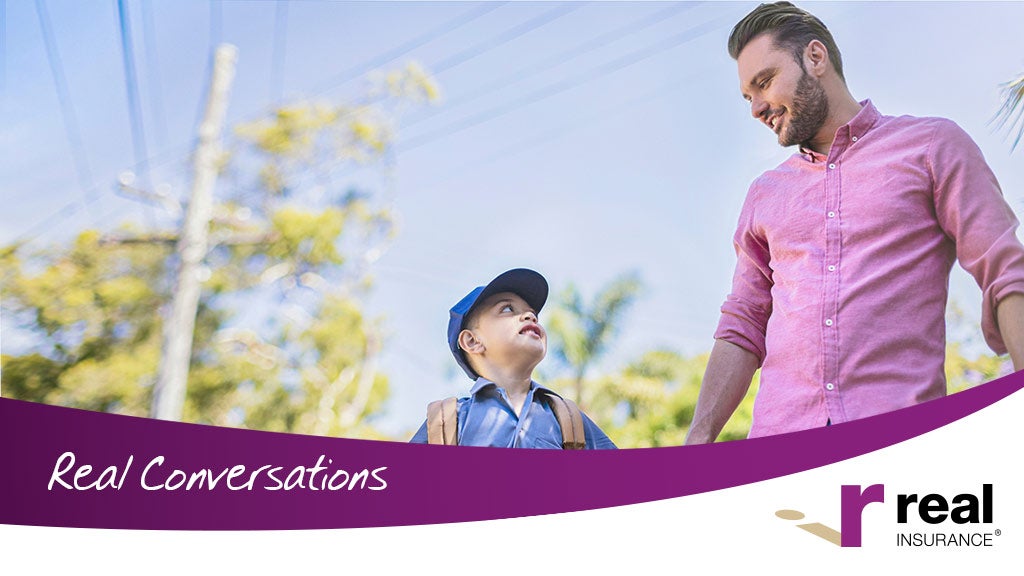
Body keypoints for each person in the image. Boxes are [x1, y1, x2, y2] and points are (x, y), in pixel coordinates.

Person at [685, 2, 1024, 443]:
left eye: (764, 82)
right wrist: (698, 439)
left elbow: (1004, 270)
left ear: (815, 57)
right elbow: (744, 322)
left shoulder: (931, 146)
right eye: (748, 96)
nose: (756, 108)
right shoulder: (764, 194)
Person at [410, 268, 617, 449]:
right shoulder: (449, 420)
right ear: (472, 341)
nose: (530, 316)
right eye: (507, 309)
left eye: (533, 313)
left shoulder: (568, 419)